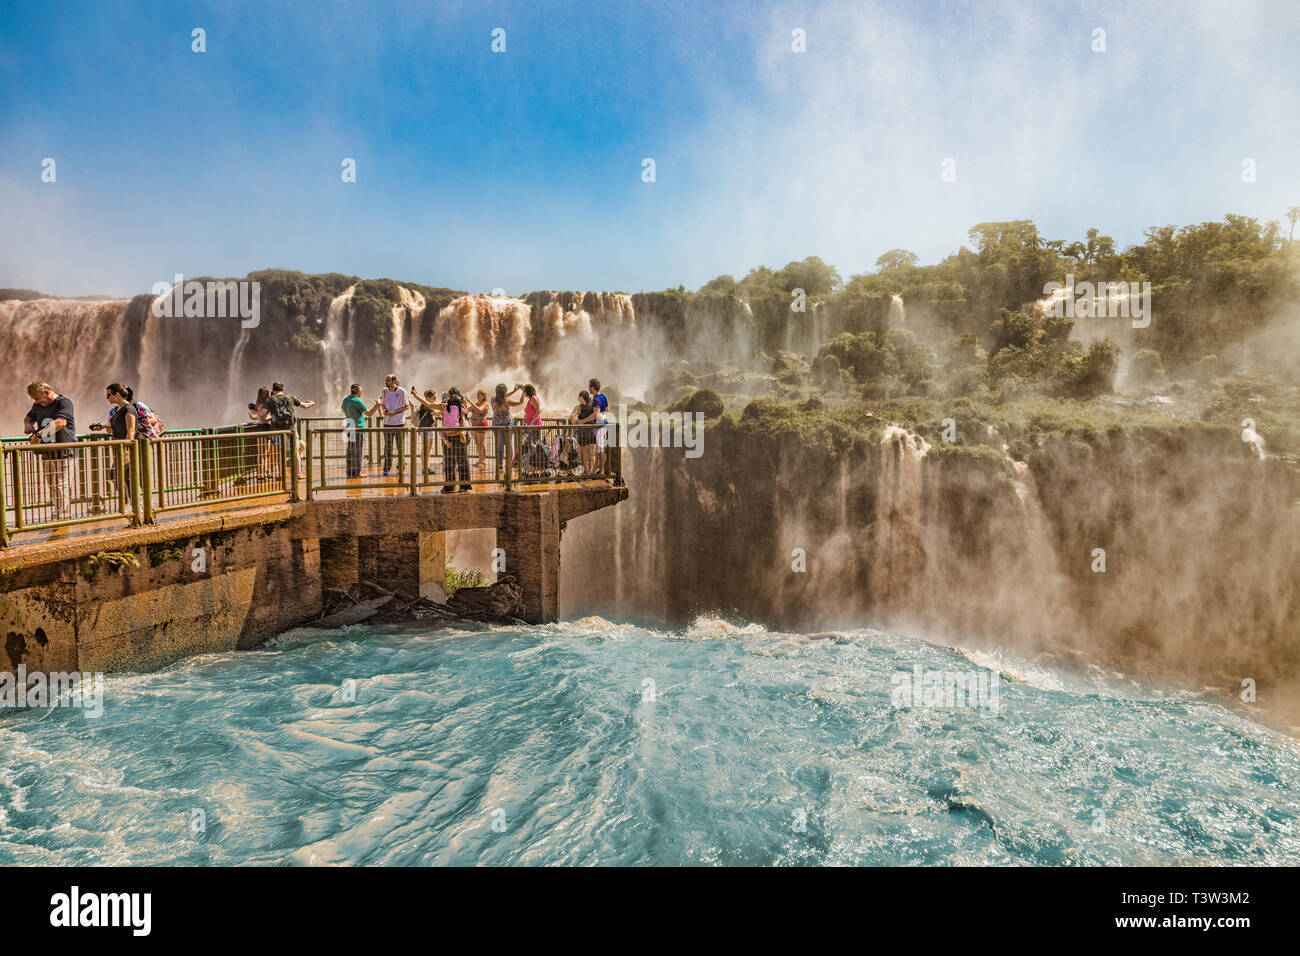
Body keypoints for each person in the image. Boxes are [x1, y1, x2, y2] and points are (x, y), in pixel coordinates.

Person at [24, 382, 76, 519]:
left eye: (37, 398)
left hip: (64, 450)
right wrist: (28, 425)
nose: (36, 402)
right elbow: (29, 417)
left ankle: (62, 515)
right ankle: (58, 511)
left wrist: (38, 435)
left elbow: (61, 422)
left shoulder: (64, 402)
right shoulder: (37, 406)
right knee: (52, 484)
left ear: (47, 392)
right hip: (47, 451)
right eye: (34, 399)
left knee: (61, 483)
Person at [369, 374, 408, 477]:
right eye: (386, 380)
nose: (386, 382)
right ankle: (386, 469)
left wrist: (394, 412)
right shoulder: (384, 391)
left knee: (400, 447)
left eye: (388, 380)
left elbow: (406, 406)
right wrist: (385, 410)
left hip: (399, 423)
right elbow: (383, 403)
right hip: (387, 423)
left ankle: (400, 468)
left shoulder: (402, 391)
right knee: (388, 448)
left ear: (394, 381)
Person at [440, 388, 471, 493]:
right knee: (457, 461)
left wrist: (450, 433)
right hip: (457, 436)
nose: (447, 397)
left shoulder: (457, 407)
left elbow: (463, 423)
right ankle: (461, 486)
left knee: (451, 461)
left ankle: (452, 486)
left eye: (448, 395)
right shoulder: (451, 407)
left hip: (455, 436)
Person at [408, 387, 445, 476]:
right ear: (428, 398)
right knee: (426, 449)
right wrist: (445, 409)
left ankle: (426, 467)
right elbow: (436, 414)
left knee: (427, 449)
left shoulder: (425, 406)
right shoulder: (426, 406)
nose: (435, 400)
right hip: (426, 430)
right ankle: (425, 468)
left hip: (426, 430)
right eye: (434, 398)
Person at [247, 386, 278, 478]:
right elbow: (263, 417)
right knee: (263, 453)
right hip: (264, 428)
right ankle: (261, 474)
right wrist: (272, 417)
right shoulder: (263, 405)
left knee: (264, 453)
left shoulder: (260, 404)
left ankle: (264, 472)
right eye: (268, 393)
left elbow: (260, 416)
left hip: (263, 428)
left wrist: (254, 417)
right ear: (265, 394)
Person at [341, 383, 368, 478]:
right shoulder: (357, 401)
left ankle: (349, 471)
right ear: (359, 391)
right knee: (358, 451)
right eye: (361, 391)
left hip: (349, 428)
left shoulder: (345, 400)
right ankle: (358, 472)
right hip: (358, 429)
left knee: (350, 451)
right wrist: (378, 404)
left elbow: (342, 410)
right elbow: (369, 413)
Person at [570, 389, 599, 475]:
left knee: (583, 454)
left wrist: (576, 422)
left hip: (582, 432)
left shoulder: (578, 407)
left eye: (579, 397)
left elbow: (571, 417)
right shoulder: (593, 406)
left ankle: (586, 471)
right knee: (592, 454)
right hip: (592, 431)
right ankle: (590, 472)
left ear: (582, 397)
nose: (578, 399)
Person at [490, 383, 514, 474]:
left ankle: (499, 464)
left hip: (496, 424)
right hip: (507, 424)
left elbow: (501, 397)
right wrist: (521, 393)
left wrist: (514, 391)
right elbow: (519, 403)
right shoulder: (506, 401)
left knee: (499, 445)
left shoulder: (493, 399)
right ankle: (510, 463)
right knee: (509, 445)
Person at [588, 377, 609, 473]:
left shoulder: (596, 399)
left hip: (598, 428)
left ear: (593, 388)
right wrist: (603, 418)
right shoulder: (603, 396)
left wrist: (583, 421)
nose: (588, 388)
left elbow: (595, 414)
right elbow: (607, 410)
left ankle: (601, 471)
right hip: (603, 427)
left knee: (600, 450)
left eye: (589, 387)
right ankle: (600, 470)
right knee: (601, 450)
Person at [468, 389, 490, 472]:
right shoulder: (476, 403)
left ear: (484, 396)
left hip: (481, 425)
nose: (478, 397)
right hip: (474, 425)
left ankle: (482, 460)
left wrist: (470, 401)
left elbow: (479, 410)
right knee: (477, 443)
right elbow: (467, 409)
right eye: (477, 395)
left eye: (480, 395)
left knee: (482, 443)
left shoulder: (485, 404)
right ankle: (480, 459)